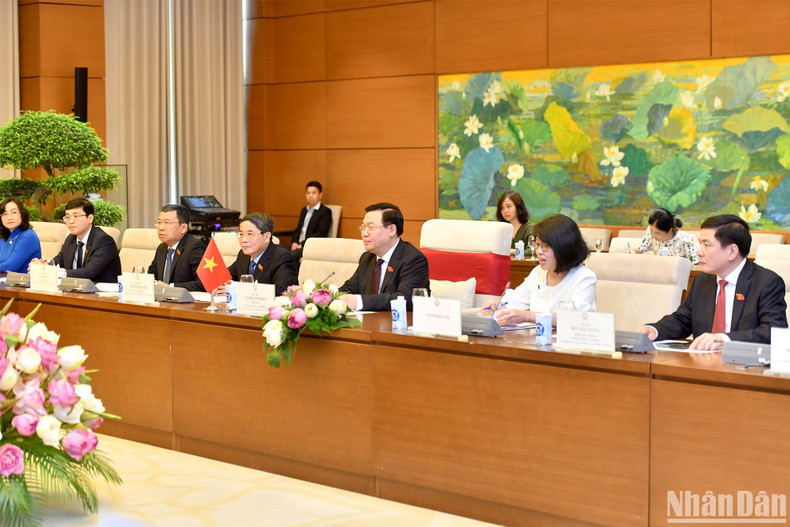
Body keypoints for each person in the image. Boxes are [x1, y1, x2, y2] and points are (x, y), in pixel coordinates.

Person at [637, 214, 787, 351]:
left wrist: (724, 340)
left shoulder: (766, 283)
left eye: (707, 245)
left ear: (732, 251)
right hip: (702, 362)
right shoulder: (702, 280)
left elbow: (773, 331)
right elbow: (682, 320)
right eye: (700, 244)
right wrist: (655, 330)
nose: (698, 252)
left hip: (743, 364)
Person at [482, 214, 596, 326]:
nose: (539, 251)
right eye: (537, 245)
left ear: (563, 247)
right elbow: (515, 300)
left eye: (544, 246)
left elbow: (577, 318)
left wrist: (529, 316)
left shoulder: (584, 277)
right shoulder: (538, 273)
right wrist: (497, 305)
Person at [339, 202, 430, 311]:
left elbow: (406, 299)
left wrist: (359, 302)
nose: (364, 233)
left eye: (371, 227)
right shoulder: (367, 257)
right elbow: (349, 288)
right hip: (369, 320)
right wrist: (327, 296)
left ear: (392, 230)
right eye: (363, 227)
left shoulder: (413, 259)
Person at [30, 197, 121, 282]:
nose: (71, 221)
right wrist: (43, 265)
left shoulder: (103, 241)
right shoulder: (71, 239)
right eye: (67, 217)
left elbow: (88, 273)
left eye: (76, 216)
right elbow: (58, 261)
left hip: (102, 292)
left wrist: (56, 273)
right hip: (75, 289)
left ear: (90, 218)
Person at [226, 212, 297, 296]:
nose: (243, 240)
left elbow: (282, 292)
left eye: (250, 234)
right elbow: (225, 277)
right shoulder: (243, 255)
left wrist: (236, 289)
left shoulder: (282, 257)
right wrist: (223, 286)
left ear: (267, 237)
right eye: (241, 234)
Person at [147, 204, 206, 291]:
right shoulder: (162, 248)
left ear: (183, 228)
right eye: (159, 222)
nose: (161, 228)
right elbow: (151, 276)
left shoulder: (194, 247)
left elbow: (203, 283)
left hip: (186, 299)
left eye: (167, 222)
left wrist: (171, 287)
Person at [634, 208, 699, 264]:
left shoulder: (685, 240)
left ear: (670, 230)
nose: (653, 235)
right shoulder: (650, 233)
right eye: (651, 230)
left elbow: (695, 264)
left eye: (657, 233)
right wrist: (631, 252)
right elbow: (639, 249)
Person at [290, 181, 332, 263]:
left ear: (320, 195)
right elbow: (298, 229)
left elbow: (321, 233)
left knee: (292, 255)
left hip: (312, 246)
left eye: (314, 193)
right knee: (281, 252)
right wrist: (294, 242)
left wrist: (302, 244)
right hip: (299, 245)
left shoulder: (325, 211)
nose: (310, 195)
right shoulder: (304, 210)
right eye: (308, 193)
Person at [0, 197, 41, 273]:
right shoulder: (5, 237)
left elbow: (10, 267)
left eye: (14, 212)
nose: (9, 217)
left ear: (22, 214)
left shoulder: (29, 237)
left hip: (22, 280)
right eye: (5, 214)